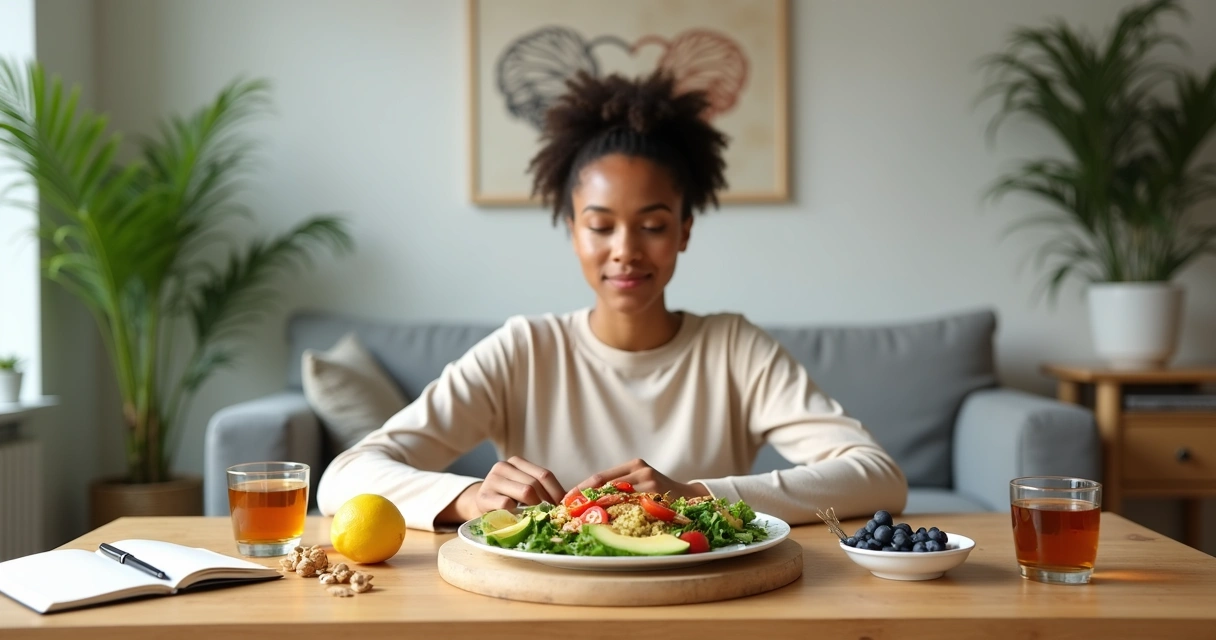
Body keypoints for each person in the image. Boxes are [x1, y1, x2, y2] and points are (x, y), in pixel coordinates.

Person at [316, 71, 907, 531]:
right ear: (572, 230)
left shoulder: (732, 347)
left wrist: (699, 496)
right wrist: (466, 495)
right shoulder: (525, 348)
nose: (625, 251)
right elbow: (344, 477)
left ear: (684, 231)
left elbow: (877, 477)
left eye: (651, 225)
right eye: (600, 227)